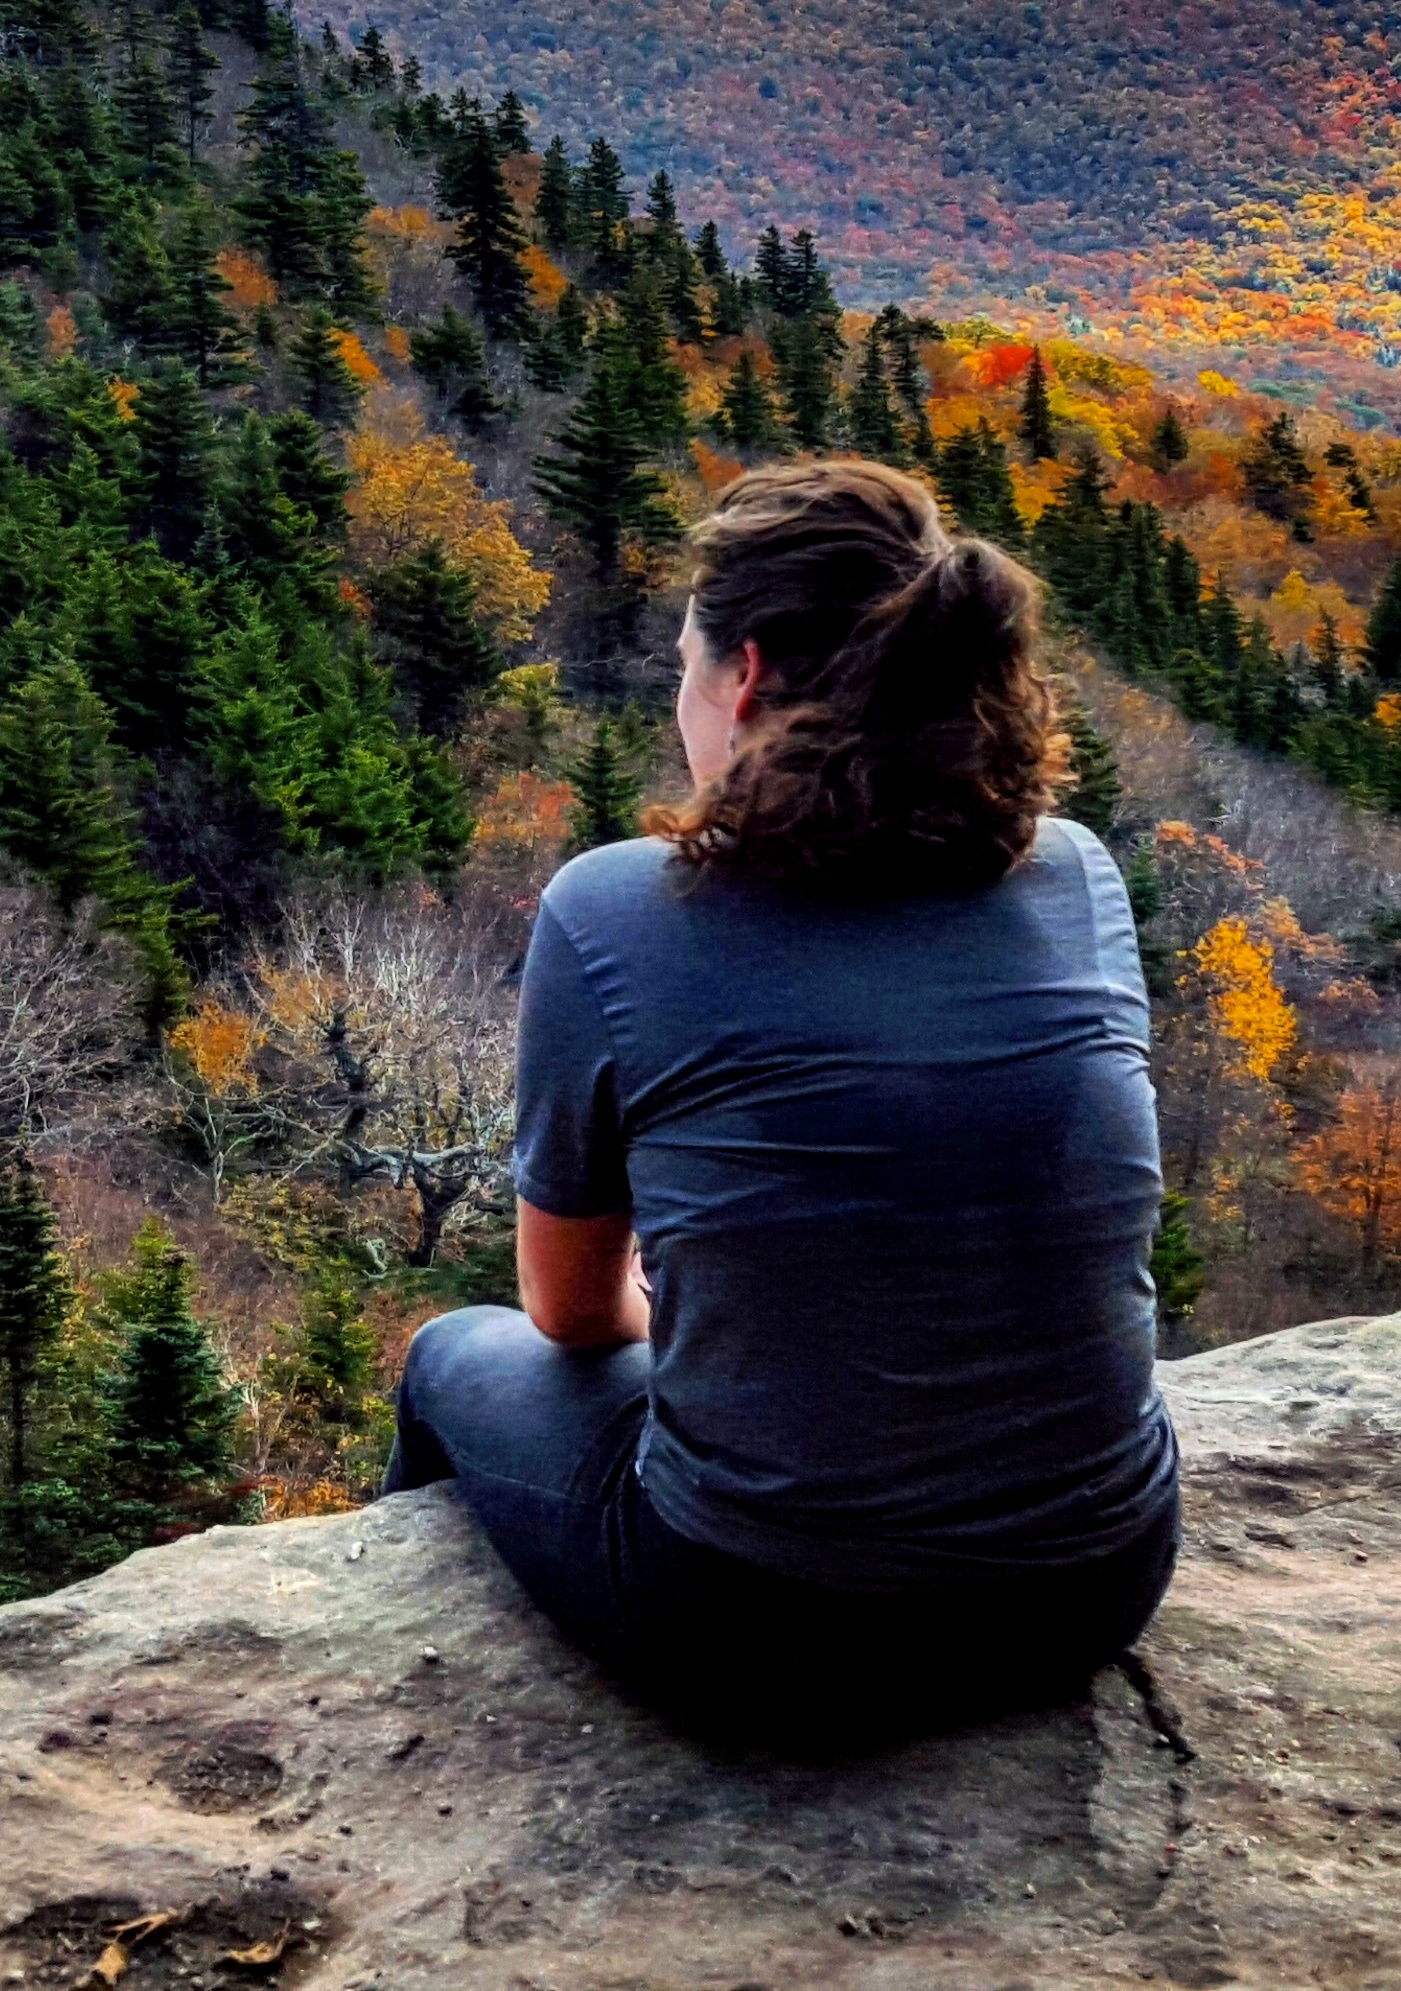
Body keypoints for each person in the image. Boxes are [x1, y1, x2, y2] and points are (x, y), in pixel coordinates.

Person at [387, 454, 1177, 1752]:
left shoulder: (614, 911)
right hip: (1094, 1587)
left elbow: (571, 1315)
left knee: (440, 1360)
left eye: (686, 666)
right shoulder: (1076, 876)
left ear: (742, 678)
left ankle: (410, 1721)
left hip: (763, 1622)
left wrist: (737, 1322)